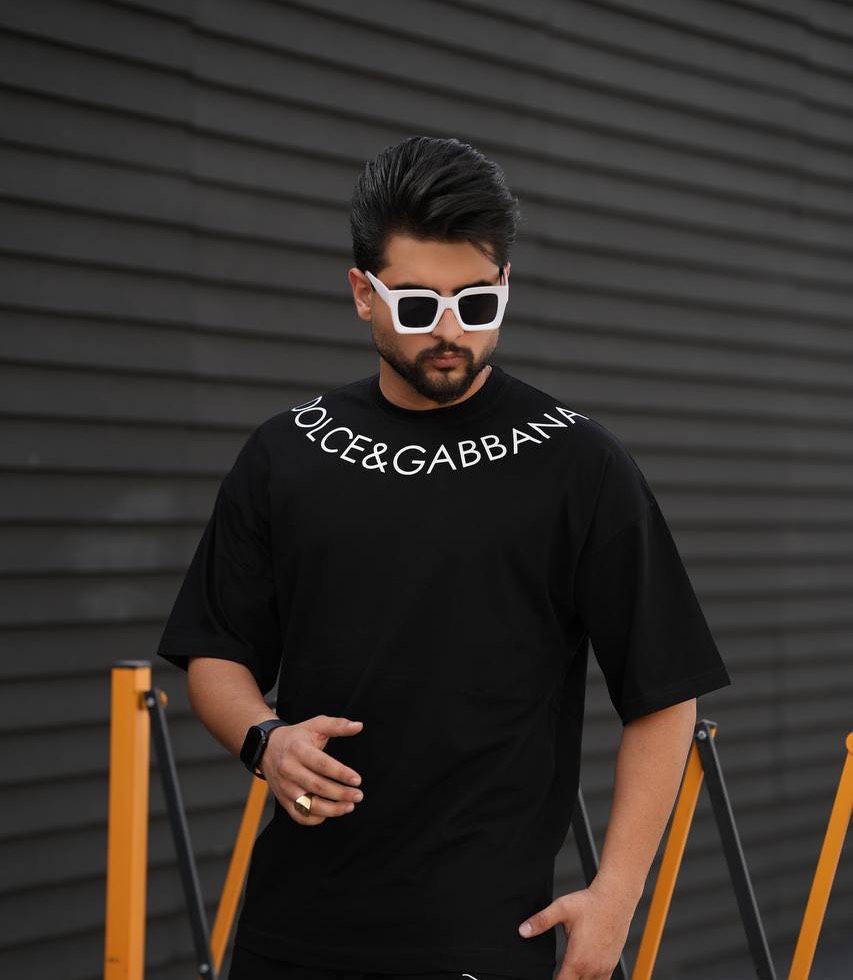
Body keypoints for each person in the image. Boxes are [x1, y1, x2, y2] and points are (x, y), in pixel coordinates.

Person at [156, 135, 732, 980]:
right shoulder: (286, 453)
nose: (452, 332)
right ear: (363, 293)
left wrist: (615, 897)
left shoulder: (577, 464)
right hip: (294, 936)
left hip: (486, 937)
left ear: (505, 286)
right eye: (419, 305)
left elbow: (665, 689)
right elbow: (215, 651)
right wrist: (264, 740)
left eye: (478, 302)